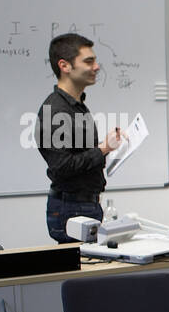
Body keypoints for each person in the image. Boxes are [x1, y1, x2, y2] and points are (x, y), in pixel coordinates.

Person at [37, 33, 123, 244]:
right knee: (83, 271)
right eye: (88, 61)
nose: (96, 67)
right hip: (71, 207)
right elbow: (62, 167)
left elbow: (79, 156)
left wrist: (106, 148)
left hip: (84, 204)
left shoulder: (76, 106)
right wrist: (102, 149)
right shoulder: (55, 110)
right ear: (65, 66)